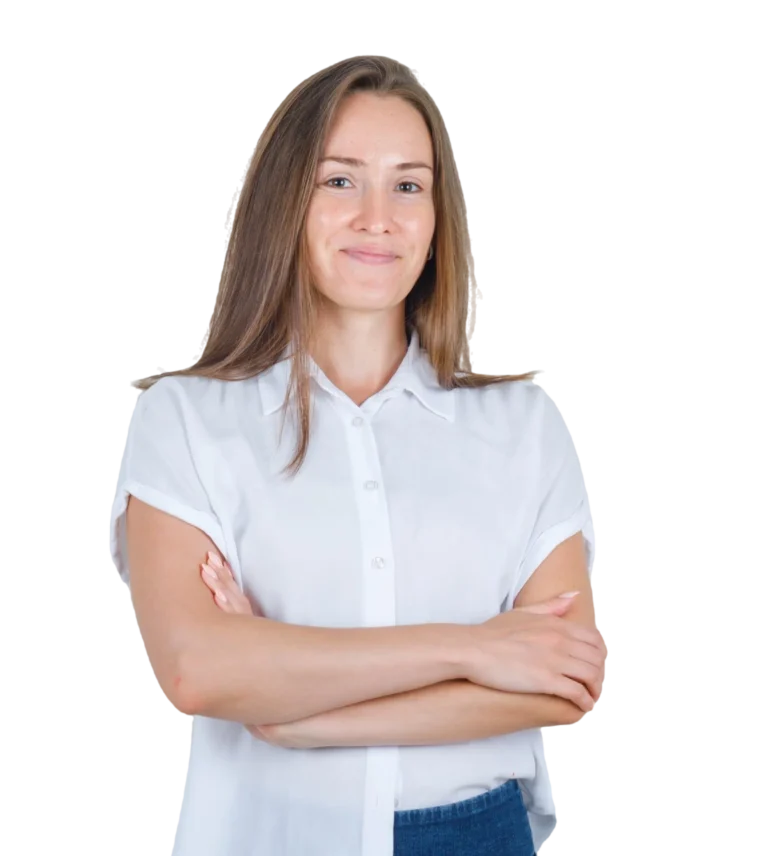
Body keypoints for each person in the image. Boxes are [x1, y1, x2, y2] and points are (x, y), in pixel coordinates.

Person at [110, 55, 605, 856]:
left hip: (478, 834)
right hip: (274, 838)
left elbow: (566, 680)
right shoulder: (186, 419)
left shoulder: (524, 421)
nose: (378, 217)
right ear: (284, 204)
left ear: (437, 213)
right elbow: (199, 668)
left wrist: (296, 718)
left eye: (408, 185)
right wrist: (477, 646)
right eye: (340, 181)